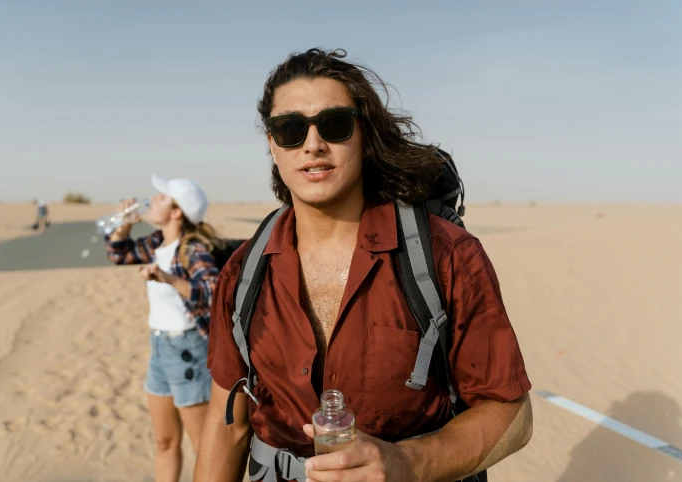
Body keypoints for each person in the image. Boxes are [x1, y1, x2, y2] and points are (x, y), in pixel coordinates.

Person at [194, 49, 533, 482]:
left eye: (334, 124)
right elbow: (230, 424)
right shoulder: (243, 273)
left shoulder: (447, 257)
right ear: (272, 146)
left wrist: (408, 463)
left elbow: (512, 413)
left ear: (365, 136)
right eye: (291, 129)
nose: (312, 145)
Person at [105, 174, 221, 482]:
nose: (153, 199)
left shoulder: (191, 249)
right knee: (164, 441)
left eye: (162, 197)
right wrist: (125, 223)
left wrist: (167, 278)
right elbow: (118, 253)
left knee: (203, 447)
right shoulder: (157, 243)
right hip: (159, 348)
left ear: (176, 212)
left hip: (187, 351)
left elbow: (211, 290)